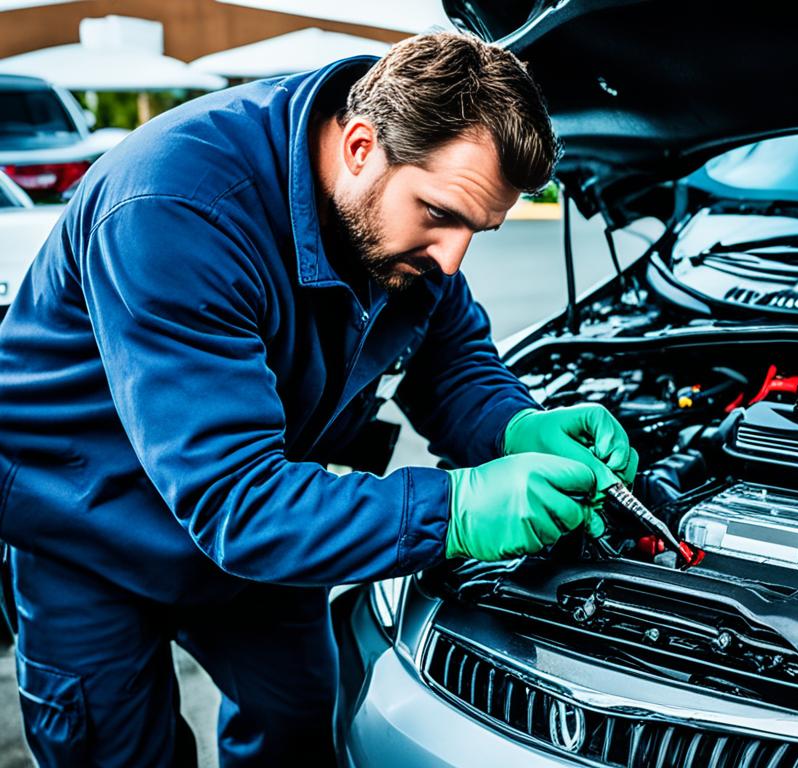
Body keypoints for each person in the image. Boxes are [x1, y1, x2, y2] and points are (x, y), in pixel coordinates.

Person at [0, 32, 634, 766]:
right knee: (111, 754)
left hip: (267, 510)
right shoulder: (176, 207)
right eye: (441, 214)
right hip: (90, 528)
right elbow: (239, 503)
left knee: (301, 731)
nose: (452, 259)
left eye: (478, 230)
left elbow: (449, 360)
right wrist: (456, 509)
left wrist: (516, 428)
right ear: (361, 145)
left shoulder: (399, 217)